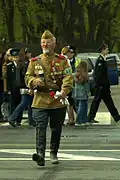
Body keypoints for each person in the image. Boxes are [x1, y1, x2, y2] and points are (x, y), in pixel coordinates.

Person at [25, 30, 73, 166]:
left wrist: (64, 89)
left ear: (54, 43)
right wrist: (33, 81)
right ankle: (40, 154)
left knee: (56, 128)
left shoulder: (62, 61)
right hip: (40, 100)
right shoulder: (35, 61)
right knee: (40, 127)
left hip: (57, 100)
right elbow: (27, 76)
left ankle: (53, 152)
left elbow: (68, 76)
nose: (45, 44)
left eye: (48, 42)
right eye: (43, 42)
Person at [88, 41, 120, 123]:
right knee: (96, 102)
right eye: (106, 49)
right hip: (101, 86)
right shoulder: (100, 61)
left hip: (104, 86)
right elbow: (98, 75)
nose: (108, 51)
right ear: (103, 50)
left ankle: (116, 116)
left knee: (108, 101)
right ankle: (90, 117)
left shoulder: (103, 60)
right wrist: (99, 85)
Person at [8, 48, 35, 127]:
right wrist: (30, 86)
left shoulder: (22, 63)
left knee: (29, 103)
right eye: (28, 53)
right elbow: (25, 76)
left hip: (24, 87)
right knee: (24, 103)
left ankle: (31, 121)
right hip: (26, 86)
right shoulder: (25, 64)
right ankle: (12, 118)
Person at [72, 61, 90, 126]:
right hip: (83, 92)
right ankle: (79, 121)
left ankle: (84, 120)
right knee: (82, 107)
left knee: (82, 106)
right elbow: (85, 83)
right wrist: (88, 92)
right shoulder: (83, 73)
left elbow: (75, 81)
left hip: (77, 91)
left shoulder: (76, 72)